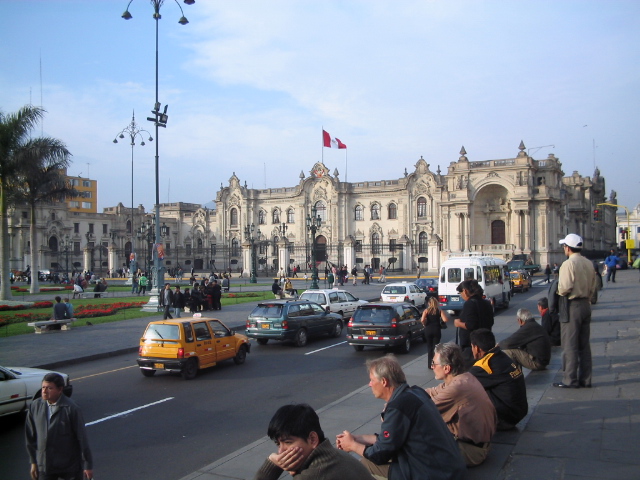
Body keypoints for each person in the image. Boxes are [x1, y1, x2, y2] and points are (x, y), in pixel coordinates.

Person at [336, 354, 465, 480]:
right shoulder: (415, 393)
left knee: (364, 465)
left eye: (372, 380)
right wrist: (357, 438)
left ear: (384, 382)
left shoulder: (398, 407)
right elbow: (389, 440)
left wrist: (352, 445)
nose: (370, 384)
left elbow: (380, 455)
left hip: (433, 473)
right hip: (449, 467)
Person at [253, 404, 373, 480]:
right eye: (278, 444)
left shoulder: (314, 474)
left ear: (313, 439)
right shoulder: (335, 455)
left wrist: (272, 464)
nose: (281, 451)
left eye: (288, 442)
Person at [426, 343, 497, 467]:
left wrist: (398, 404)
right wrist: (407, 393)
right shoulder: (465, 377)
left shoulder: (457, 388)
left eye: (434, 364)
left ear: (447, 368)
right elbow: (433, 391)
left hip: (470, 451)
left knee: (416, 444)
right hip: (478, 445)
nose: (432, 367)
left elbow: (423, 409)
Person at [26, 372, 93, 480]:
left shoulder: (71, 408)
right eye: (43, 387)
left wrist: (87, 465)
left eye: (49, 388)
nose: (44, 391)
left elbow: (82, 438)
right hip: (45, 465)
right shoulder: (35, 406)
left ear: (60, 389)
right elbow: (30, 437)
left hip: (69, 466)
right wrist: (33, 462)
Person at [554, 233, 596, 388]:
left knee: (569, 344)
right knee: (584, 345)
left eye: (564, 246)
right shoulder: (588, 263)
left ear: (567, 248)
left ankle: (570, 379)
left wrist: (558, 291)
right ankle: (586, 379)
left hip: (572, 305)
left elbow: (565, 288)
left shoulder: (568, 264)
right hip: (585, 304)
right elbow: (594, 286)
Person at [469, 329, 528, 431]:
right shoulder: (501, 355)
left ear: (476, 348)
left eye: (472, 347)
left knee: (467, 393)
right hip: (519, 412)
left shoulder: (484, 366)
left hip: (506, 418)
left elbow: (461, 385)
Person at [452, 279, 494, 371]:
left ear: (465, 291)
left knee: (470, 372)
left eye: (460, 293)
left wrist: (458, 323)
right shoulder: (487, 303)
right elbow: (491, 322)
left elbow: (471, 325)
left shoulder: (469, 304)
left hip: (471, 347)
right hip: (486, 343)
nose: (461, 296)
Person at [420, 296, 450, 368]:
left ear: (429, 303)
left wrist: (424, 324)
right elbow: (445, 319)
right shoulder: (439, 311)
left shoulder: (426, 311)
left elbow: (422, 320)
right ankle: (435, 364)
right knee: (436, 348)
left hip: (428, 329)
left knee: (429, 347)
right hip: (436, 329)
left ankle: (429, 364)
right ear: (436, 303)